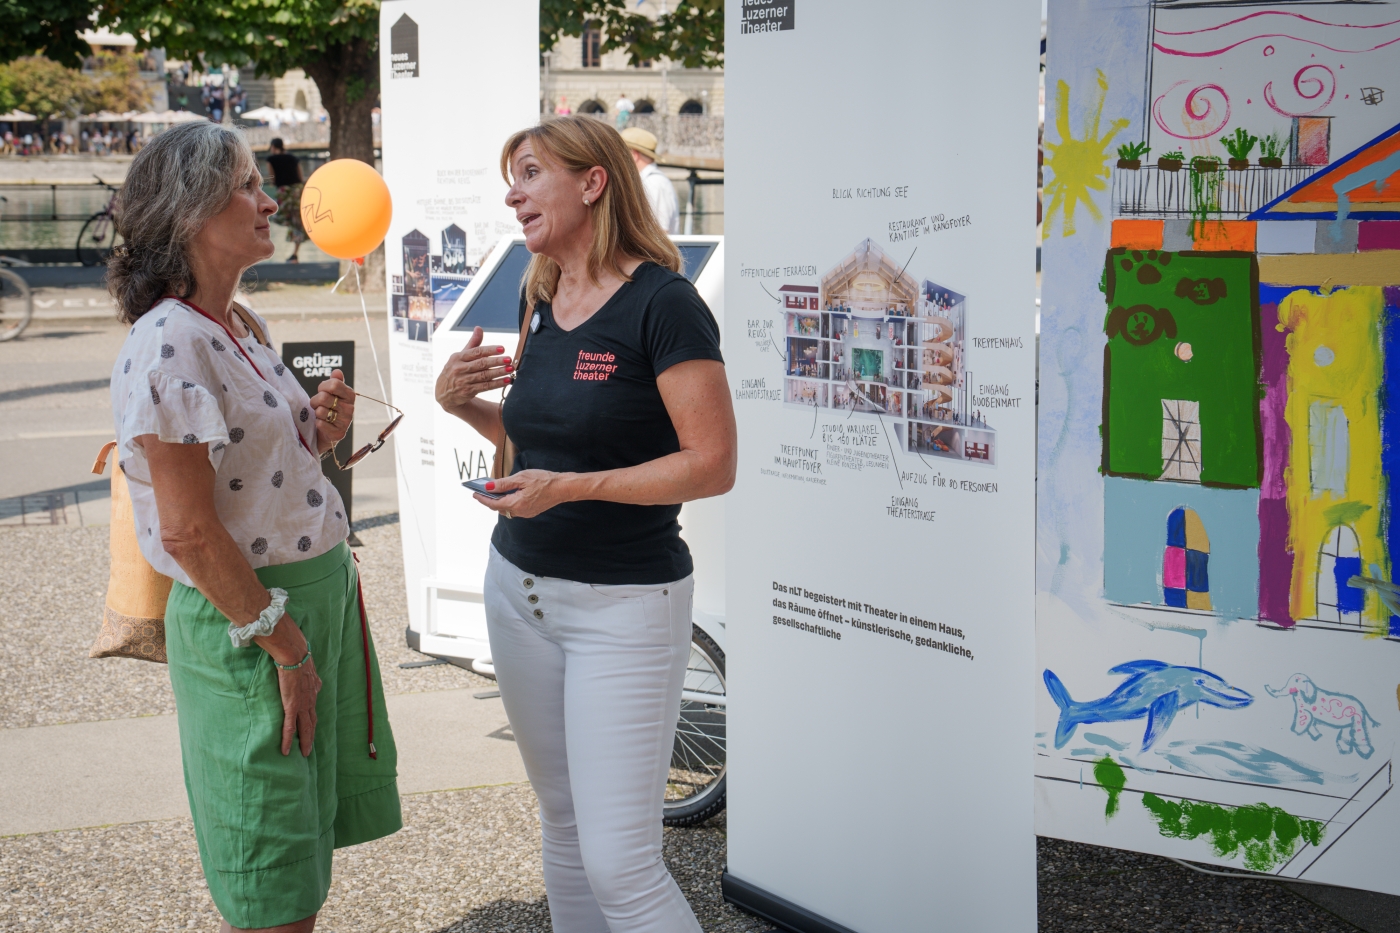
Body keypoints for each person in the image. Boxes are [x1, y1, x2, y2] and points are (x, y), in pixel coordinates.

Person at [434, 115, 736, 933]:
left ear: (593, 182)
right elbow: (533, 444)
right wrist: (464, 406)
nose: (512, 192)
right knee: (562, 824)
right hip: (517, 590)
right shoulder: (541, 292)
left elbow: (712, 462)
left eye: (530, 172)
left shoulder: (664, 304)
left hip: (625, 608)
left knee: (621, 862)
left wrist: (571, 488)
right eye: (513, 175)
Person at [106, 121, 401, 933]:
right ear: (193, 213)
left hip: (303, 608)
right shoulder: (170, 342)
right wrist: (287, 646)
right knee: (269, 868)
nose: (270, 200)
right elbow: (193, 533)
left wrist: (321, 432)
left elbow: (252, 472)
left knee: (298, 846)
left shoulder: (239, 325)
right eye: (246, 186)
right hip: (254, 623)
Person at [619, 126, 680, 235]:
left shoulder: (654, 183)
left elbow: (661, 233)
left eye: (621, 153)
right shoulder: (650, 181)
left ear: (634, 155)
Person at [266, 139, 307, 263]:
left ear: (273, 147)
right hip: (297, 192)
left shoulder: (271, 160)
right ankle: (295, 254)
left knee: (272, 216)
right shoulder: (293, 158)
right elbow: (300, 177)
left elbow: (272, 179)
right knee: (297, 223)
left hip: (284, 192)